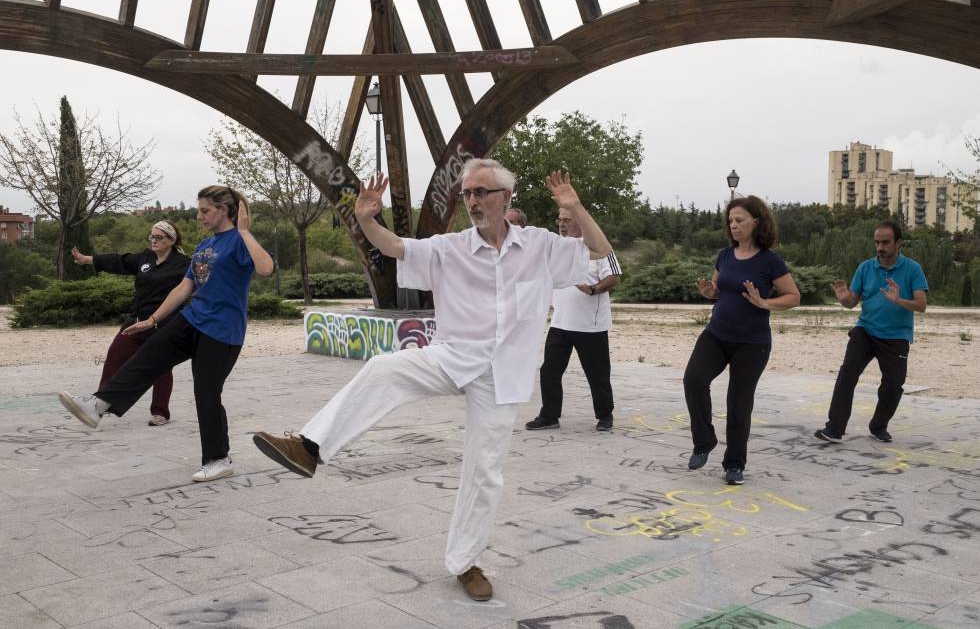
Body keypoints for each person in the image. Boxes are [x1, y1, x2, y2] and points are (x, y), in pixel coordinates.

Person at [252, 160, 612, 602]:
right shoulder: (449, 247)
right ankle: (308, 448)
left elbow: (598, 250)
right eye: (467, 194)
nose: (473, 201)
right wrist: (367, 219)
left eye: (482, 192)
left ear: (505, 198)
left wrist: (576, 207)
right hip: (454, 355)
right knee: (384, 368)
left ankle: (465, 562)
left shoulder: (540, 245)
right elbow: (396, 247)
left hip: (504, 373)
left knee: (485, 470)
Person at [58, 186, 275, 483]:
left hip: (223, 332)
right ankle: (98, 405)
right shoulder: (204, 246)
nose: (199, 216)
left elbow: (266, 269)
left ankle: (218, 459)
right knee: (149, 354)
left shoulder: (239, 242)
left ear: (224, 210)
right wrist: (152, 320)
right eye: (198, 210)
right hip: (192, 319)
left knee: (206, 393)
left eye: (205, 210)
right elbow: (184, 288)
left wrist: (246, 232)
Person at [684, 195, 800, 485]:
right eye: (730, 221)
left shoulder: (770, 260)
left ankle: (734, 464)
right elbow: (719, 290)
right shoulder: (725, 255)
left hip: (752, 342)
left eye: (740, 220)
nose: (733, 226)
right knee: (693, 380)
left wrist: (765, 303)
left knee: (738, 402)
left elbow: (793, 297)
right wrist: (709, 291)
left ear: (756, 222)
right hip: (716, 333)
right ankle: (704, 441)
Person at [815, 220, 927, 444]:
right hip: (865, 331)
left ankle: (878, 426)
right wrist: (843, 296)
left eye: (885, 242)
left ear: (899, 243)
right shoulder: (865, 268)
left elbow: (921, 305)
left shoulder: (912, 269)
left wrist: (899, 300)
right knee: (847, 374)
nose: (880, 247)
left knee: (893, 385)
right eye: (877, 242)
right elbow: (851, 302)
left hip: (897, 337)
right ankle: (834, 429)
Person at [70, 221, 191, 426]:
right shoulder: (145, 258)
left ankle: (160, 412)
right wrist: (88, 259)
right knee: (115, 355)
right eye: (151, 236)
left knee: (161, 366)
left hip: (164, 324)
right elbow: (119, 261)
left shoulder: (183, 263)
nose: (154, 240)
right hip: (136, 321)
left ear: (172, 240)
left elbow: (192, 288)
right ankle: (99, 404)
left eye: (159, 237)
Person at [525, 207, 622, 431]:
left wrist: (594, 289)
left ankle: (605, 416)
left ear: (580, 221)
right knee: (549, 371)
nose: (562, 223)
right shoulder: (557, 248)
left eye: (567, 219)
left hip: (590, 325)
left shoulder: (598, 247)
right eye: (559, 219)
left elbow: (614, 276)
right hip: (560, 323)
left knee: (597, 374)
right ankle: (549, 416)